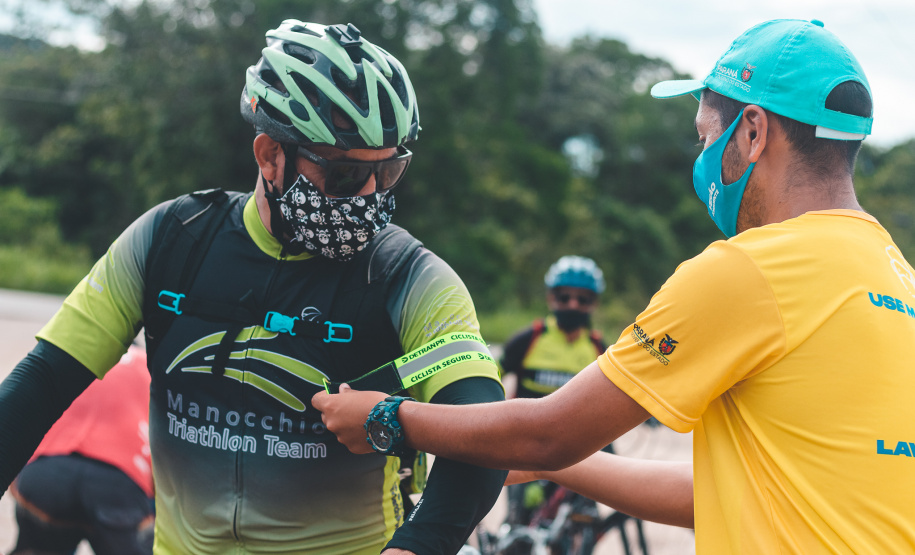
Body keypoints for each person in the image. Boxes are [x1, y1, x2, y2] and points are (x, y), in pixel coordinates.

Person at [314, 19, 915, 553]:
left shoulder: (752, 269)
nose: (703, 153)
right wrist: (565, 469)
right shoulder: (892, 274)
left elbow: (549, 431)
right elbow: (724, 495)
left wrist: (388, 416)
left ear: (753, 132)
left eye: (707, 133)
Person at [0, 20, 506, 555]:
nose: (368, 196)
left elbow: (483, 433)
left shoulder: (411, 278)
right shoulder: (169, 241)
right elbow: (40, 386)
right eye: (341, 176)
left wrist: (417, 546)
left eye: (388, 172)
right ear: (269, 155)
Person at [9, 344, 154, 555]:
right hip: (118, 483)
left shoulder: (77, 356)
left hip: (46, 473)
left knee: (38, 547)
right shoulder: (148, 367)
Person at [499, 255, 607, 526]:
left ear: (593, 303)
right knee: (520, 526)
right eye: (564, 297)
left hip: (580, 449)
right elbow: (489, 376)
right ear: (551, 299)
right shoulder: (528, 340)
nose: (573, 304)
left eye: (582, 300)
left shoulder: (599, 349)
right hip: (525, 447)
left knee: (582, 522)